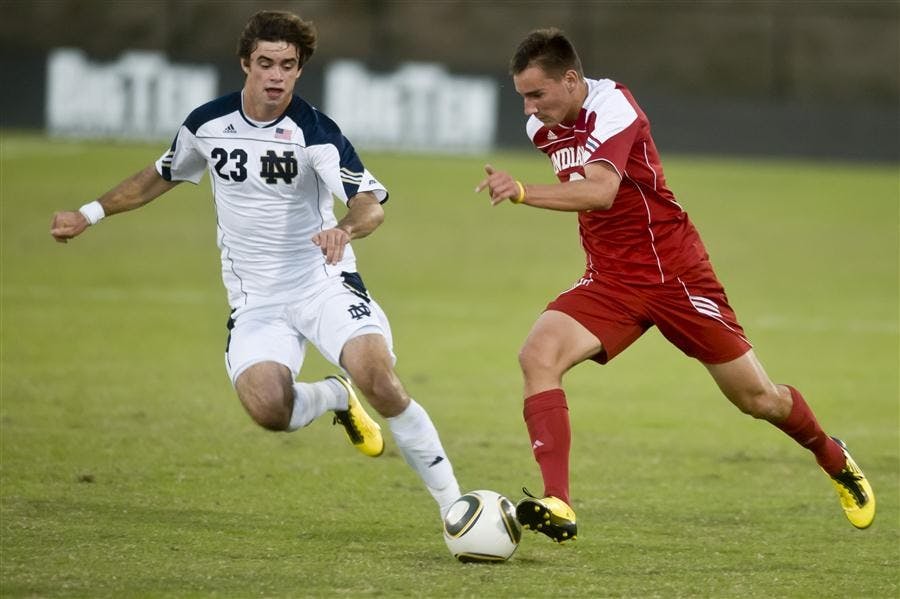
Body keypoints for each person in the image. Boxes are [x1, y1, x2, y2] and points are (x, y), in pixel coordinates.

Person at [50, 10, 460, 519]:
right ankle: (333, 397)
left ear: (299, 71)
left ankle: (455, 510)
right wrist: (88, 213)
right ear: (246, 63)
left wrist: (345, 229)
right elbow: (160, 174)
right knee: (270, 409)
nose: (276, 75)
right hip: (256, 300)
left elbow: (369, 202)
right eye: (266, 63)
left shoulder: (315, 132)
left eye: (288, 65)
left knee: (378, 376)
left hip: (321, 281)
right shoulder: (208, 124)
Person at [475, 28, 875, 542]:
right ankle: (558, 502)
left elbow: (599, 193)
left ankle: (832, 455)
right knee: (537, 356)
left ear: (571, 80)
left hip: (675, 275)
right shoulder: (545, 128)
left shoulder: (614, 107)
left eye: (537, 94)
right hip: (611, 279)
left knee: (758, 399)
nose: (529, 110)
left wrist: (524, 191)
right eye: (522, 97)